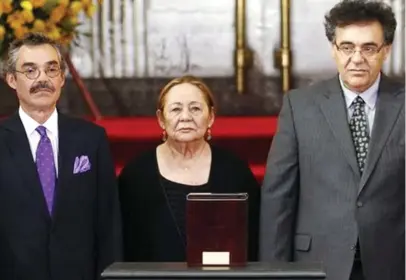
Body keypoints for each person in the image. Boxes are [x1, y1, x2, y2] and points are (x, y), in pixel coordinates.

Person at [259, 1, 404, 280]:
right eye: (347, 47)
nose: (357, 58)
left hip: (392, 262)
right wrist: (272, 271)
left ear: (386, 50)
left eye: (369, 48)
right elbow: (278, 197)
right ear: (333, 49)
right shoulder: (299, 106)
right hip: (318, 262)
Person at [0, 33, 121, 280]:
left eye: (51, 69)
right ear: (12, 79)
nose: (42, 79)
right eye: (30, 71)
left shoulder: (91, 139)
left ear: (62, 78)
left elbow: (108, 223)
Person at [118, 75, 260, 262]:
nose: (185, 117)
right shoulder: (136, 175)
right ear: (161, 119)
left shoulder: (234, 171)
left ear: (210, 117)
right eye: (176, 109)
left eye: (195, 108)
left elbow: (253, 239)